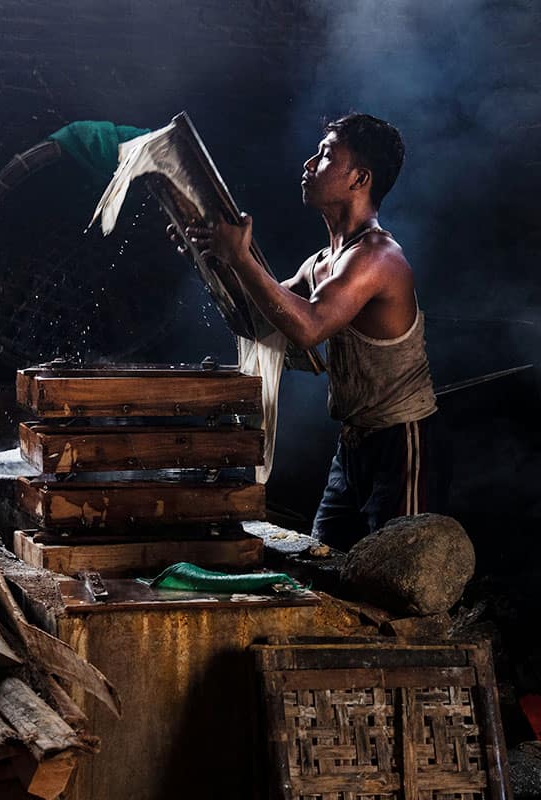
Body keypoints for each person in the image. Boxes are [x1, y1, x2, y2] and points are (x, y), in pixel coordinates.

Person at [174, 113, 448, 550]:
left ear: (359, 178)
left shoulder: (378, 257)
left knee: (399, 577)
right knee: (323, 564)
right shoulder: (322, 262)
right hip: (353, 444)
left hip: (400, 442)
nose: (308, 163)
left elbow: (307, 328)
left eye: (324, 156)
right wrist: (209, 256)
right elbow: (262, 316)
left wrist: (241, 260)